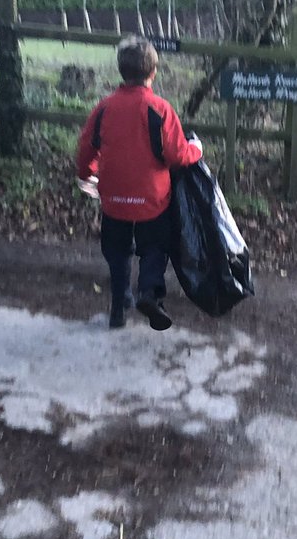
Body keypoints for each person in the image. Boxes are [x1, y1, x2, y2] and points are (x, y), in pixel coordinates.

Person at [76, 35, 202, 331]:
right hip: (152, 200)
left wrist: (87, 174)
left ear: (121, 70)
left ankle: (119, 304)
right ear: (153, 73)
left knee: (117, 252)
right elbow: (177, 154)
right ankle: (149, 292)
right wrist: (197, 148)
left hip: (114, 199)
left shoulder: (104, 108)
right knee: (155, 247)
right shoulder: (159, 109)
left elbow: (85, 148)